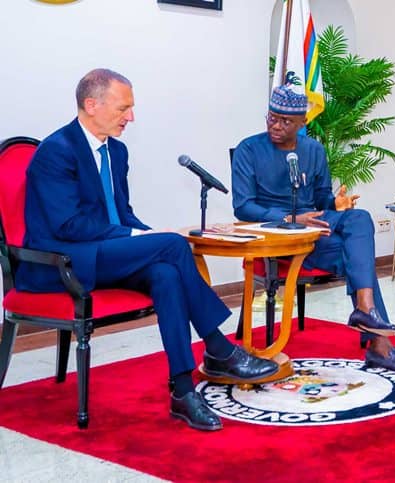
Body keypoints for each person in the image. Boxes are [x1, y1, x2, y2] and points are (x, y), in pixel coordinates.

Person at [17, 68, 279, 431]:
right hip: (62, 262)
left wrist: (145, 233)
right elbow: (68, 226)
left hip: (101, 252)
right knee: (171, 245)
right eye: (124, 108)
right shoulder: (55, 152)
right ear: (91, 105)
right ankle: (218, 348)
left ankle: (183, 392)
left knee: (166, 272)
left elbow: (121, 213)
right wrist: (142, 237)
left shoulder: (117, 152)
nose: (131, 117)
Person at [231, 86, 395, 372]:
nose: (276, 125)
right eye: (271, 117)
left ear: (303, 124)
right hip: (276, 236)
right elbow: (243, 206)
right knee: (358, 259)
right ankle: (379, 342)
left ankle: (365, 311)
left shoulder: (313, 150)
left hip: (315, 230)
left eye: (286, 121)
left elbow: (321, 198)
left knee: (359, 219)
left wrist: (336, 202)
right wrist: (289, 218)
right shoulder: (249, 149)